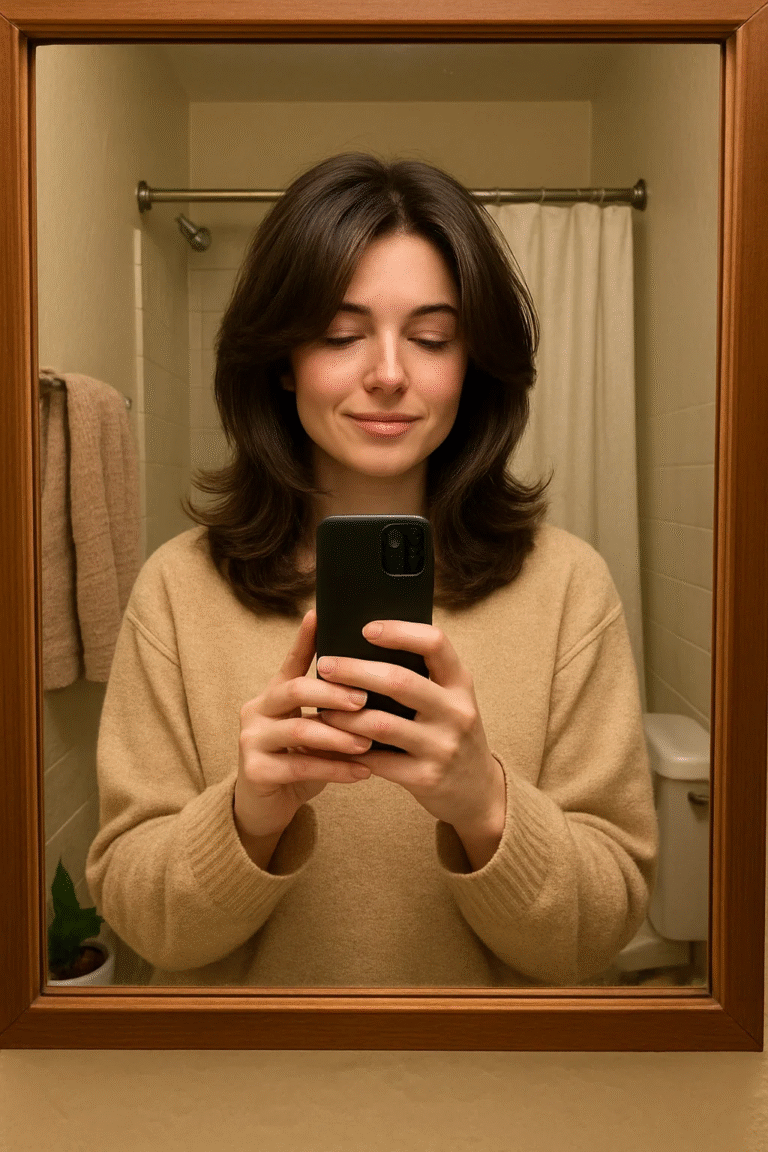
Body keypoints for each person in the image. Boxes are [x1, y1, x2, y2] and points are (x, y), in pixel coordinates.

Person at [85, 151, 658, 989]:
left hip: (498, 1072)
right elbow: (140, 924)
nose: (389, 374)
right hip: (241, 1072)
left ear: (471, 364)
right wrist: (246, 819)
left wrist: (486, 805)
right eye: (340, 335)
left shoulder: (569, 587)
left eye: (431, 339)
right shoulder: (178, 588)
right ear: (282, 359)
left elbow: (603, 929)